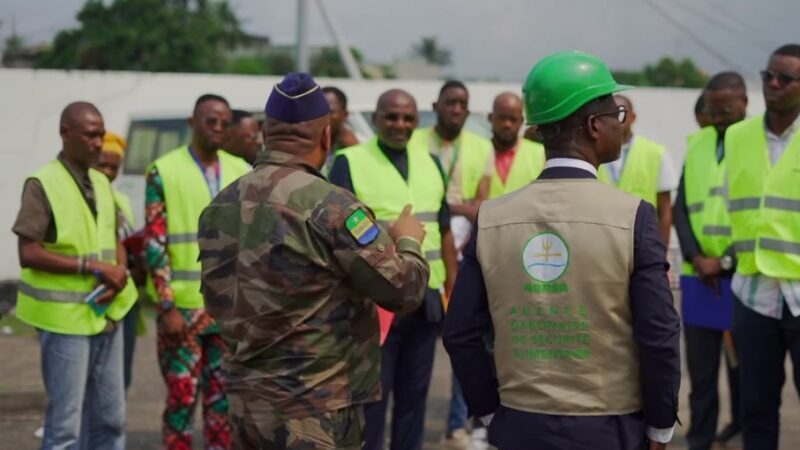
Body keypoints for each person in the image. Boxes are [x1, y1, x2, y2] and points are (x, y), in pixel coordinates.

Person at [443, 50, 681, 450]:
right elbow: (659, 336)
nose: (619, 127)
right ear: (592, 126)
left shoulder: (492, 218)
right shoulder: (633, 217)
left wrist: (490, 413)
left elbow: (460, 332)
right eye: (615, 116)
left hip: (518, 425)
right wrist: (659, 426)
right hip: (610, 428)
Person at [197, 72, 431, 450]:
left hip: (245, 405)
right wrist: (407, 239)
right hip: (313, 411)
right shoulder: (332, 206)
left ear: (264, 132)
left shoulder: (220, 205)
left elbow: (220, 300)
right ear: (326, 136)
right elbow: (405, 290)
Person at [329, 89, 459, 450]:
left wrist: (453, 289)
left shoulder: (431, 162)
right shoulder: (348, 161)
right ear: (375, 119)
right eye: (391, 117)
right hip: (375, 303)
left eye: (407, 118)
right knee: (372, 403)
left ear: (417, 121)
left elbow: (445, 230)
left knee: (413, 402)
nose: (400, 124)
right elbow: (337, 235)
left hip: (424, 299)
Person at [13, 102, 137, 449]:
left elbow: (114, 236)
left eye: (101, 134)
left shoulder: (101, 181)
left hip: (107, 313)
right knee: (65, 426)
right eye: (90, 134)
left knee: (111, 420)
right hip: (64, 321)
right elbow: (29, 253)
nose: (99, 142)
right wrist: (94, 267)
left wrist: (120, 271)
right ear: (65, 133)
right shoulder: (42, 183)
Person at [144, 93, 251, 449]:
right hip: (183, 313)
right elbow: (155, 243)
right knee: (181, 401)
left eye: (224, 122)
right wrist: (166, 306)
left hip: (228, 313)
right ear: (192, 123)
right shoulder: (164, 170)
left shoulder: (241, 171)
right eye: (211, 121)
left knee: (222, 404)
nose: (219, 128)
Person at [725, 43, 800, 450]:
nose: (774, 84)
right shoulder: (738, 136)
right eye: (768, 75)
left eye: (786, 78)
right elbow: (730, 201)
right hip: (753, 292)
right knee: (756, 409)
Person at [673, 72, 747, 449]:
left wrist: (727, 261)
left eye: (726, 110)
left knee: (744, 368)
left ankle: (743, 427)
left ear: (745, 105)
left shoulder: (755, 146)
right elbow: (682, 207)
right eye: (712, 110)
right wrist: (696, 257)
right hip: (698, 277)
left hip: (742, 277)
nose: (718, 117)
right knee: (701, 372)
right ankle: (700, 439)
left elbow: (761, 211)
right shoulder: (698, 144)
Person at [94, 131, 147, 392]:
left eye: (113, 167)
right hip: (96, 296)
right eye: (101, 164)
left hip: (125, 296)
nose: (107, 172)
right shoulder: (85, 199)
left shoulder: (122, 200)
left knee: (119, 379)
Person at [597, 95, 677, 246]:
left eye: (620, 114)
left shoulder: (656, 153)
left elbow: (665, 211)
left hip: (642, 244)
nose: (615, 120)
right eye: (608, 115)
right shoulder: (591, 152)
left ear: (633, 117)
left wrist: (661, 255)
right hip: (602, 244)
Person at [487, 92, 546, 199]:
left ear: (521, 121)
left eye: (513, 119)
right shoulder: (476, 152)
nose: (507, 124)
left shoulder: (541, 154)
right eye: (502, 118)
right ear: (490, 118)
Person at [323, 86, 360, 151]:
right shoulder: (304, 141)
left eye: (330, 112)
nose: (322, 116)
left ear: (345, 115)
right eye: (317, 111)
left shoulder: (353, 146)